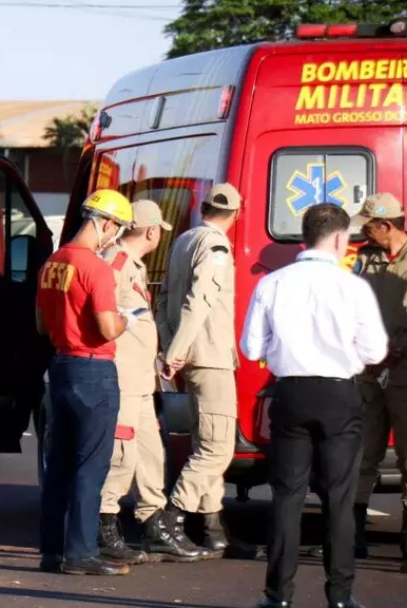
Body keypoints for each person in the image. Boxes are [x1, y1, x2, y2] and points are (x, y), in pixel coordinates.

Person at [240, 203, 386, 608]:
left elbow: (250, 347)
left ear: (304, 236)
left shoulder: (273, 283)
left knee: (287, 495)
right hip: (340, 393)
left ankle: (277, 597)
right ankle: (340, 597)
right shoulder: (354, 287)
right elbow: (375, 350)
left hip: (290, 392)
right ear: (340, 239)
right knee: (339, 497)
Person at [96, 200, 207, 565]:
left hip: (141, 378)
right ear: (151, 230)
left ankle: (153, 522)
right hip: (124, 377)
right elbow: (102, 314)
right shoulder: (115, 264)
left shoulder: (133, 266)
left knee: (149, 454)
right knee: (121, 455)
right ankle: (104, 524)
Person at [36, 188, 137, 576]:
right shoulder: (96, 268)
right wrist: (130, 318)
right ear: (107, 222)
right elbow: (108, 327)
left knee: (59, 464)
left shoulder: (52, 263)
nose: (116, 235)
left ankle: (52, 552)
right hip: (94, 370)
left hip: (60, 367)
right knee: (91, 467)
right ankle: (81, 554)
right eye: (118, 228)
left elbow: (41, 325)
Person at [154, 183, 242, 556]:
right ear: (235, 214)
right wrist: (177, 350)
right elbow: (199, 301)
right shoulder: (216, 246)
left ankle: (213, 526)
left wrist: (170, 345)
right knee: (218, 449)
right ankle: (172, 518)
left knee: (205, 441)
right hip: (209, 355)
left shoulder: (183, 241)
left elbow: (164, 299)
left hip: (192, 354)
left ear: (204, 207)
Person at [348, 192, 407, 566]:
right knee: (366, 452)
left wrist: (396, 349)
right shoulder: (365, 259)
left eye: (368, 225)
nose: (364, 231)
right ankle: (354, 531)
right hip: (369, 372)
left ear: (387, 225)